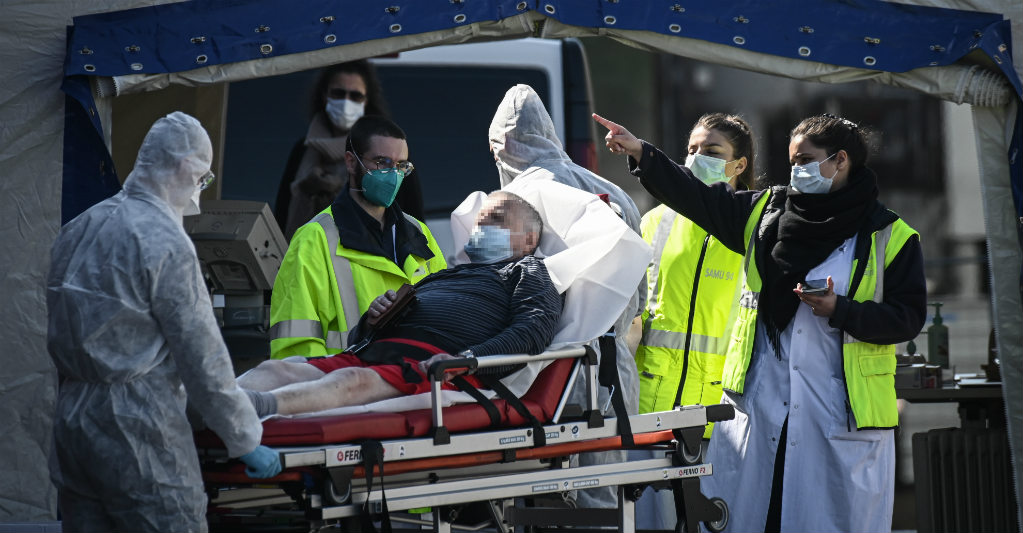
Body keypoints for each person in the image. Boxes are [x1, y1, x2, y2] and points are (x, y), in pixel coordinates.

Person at [596, 112, 926, 532]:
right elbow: (696, 196)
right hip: (764, 408)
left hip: (838, 417)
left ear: (840, 160)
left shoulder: (890, 236)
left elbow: (907, 318)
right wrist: (642, 153)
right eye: (791, 161)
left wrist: (841, 310)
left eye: (805, 160)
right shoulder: (766, 214)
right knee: (756, 519)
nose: (795, 171)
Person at [47, 112, 281, 532]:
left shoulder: (81, 227)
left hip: (73, 424)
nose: (199, 193)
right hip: (138, 428)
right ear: (186, 169)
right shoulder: (165, 242)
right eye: (202, 180)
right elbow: (202, 358)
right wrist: (244, 437)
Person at [242, 191, 561, 416]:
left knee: (351, 382)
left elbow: (532, 330)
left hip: (433, 369)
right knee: (277, 369)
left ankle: (250, 415)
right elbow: (359, 338)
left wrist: (465, 360)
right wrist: (373, 319)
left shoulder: (528, 270)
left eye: (498, 218)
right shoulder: (444, 276)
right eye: (481, 220)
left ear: (530, 241)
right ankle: (210, 407)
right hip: (375, 354)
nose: (483, 226)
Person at [489, 84, 643, 510]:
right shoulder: (616, 194)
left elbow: (499, 293)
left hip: (545, 377)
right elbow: (637, 300)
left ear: (500, 146)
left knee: (547, 507)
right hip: (612, 370)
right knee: (606, 505)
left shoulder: (517, 201)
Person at [630, 113, 756, 530]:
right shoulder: (654, 222)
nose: (697, 157)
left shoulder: (755, 229)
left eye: (712, 151)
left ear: (740, 166)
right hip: (651, 411)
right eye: (692, 149)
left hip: (720, 419)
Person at [269, 115, 447, 360]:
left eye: (401, 166)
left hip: (413, 386)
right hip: (345, 390)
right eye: (382, 162)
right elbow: (294, 347)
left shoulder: (419, 233)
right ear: (351, 162)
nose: (392, 174)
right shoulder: (314, 238)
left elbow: (444, 316)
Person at [275, 60, 424, 240]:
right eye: (338, 93)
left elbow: (412, 220)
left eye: (355, 96)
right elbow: (281, 213)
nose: (346, 102)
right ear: (324, 95)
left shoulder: (389, 152)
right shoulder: (304, 149)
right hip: (303, 249)